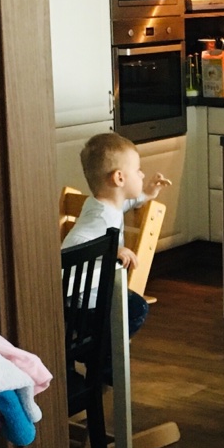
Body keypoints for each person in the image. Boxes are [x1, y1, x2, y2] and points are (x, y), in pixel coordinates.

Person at [60, 132, 170, 337]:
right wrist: (114, 249)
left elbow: (125, 204)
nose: (142, 175)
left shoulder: (102, 204)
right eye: (138, 170)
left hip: (82, 296)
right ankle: (104, 350)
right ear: (119, 178)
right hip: (87, 304)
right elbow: (76, 243)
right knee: (138, 309)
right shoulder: (101, 218)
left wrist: (147, 194)